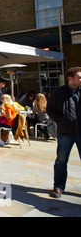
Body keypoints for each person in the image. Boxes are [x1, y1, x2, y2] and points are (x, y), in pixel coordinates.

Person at [46, 67, 81, 199]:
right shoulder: (58, 92)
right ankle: (59, 187)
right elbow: (50, 110)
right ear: (70, 79)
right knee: (61, 160)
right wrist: (61, 121)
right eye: (79, 77)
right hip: (65, 132)